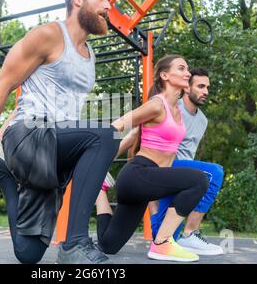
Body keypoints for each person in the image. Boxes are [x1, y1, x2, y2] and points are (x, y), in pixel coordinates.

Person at [0, 0, 120, 264]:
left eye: (109, 0)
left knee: (28, 253)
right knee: (106, 134)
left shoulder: (90, 57)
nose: (108, 6)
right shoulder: (49, 34)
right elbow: (5, 83)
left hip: (55, 152)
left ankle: (3, 173)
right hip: (29, 136)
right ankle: (74, 243)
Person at [95, 55, 209, 263]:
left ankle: (99, 189)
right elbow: (119, 124)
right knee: (199, 180)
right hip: (138, 174)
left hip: (145, 183)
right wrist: (96, 160)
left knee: (108, 245)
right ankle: (162, 243)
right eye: (182, 68)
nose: (188, 73)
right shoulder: (157, 105)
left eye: (188, 69)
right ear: (165, 75)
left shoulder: (178, 111)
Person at [149, 68, 224, 255]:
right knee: (215, 172)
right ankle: (189, 234)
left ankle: (182, 235)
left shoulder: (202, 121)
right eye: (200, 86)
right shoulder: (171, 108)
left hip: (183, 176)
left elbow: (189, 154)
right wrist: (151, 196)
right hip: (164, 169)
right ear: (187, 88)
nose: (205, 91)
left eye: (207, 87)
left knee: (165, 239)